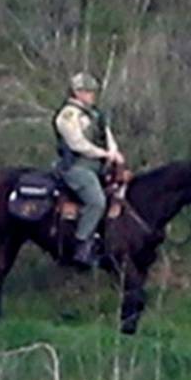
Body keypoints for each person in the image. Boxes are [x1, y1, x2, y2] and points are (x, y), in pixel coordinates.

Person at [53, 72, 125, 268]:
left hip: (99, 164)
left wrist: (114, 153)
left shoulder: (96, 114)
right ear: (77, 92)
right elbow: (77, 143)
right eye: (88, 91)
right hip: (76, 166)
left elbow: (108, 136)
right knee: (97, 201)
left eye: (93, 92)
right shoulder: (68, 115)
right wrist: (103, 154)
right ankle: (81, 244)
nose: (92, 95)